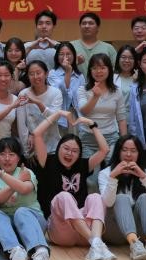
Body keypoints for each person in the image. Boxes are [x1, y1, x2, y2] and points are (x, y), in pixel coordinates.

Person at [31, 114, 116, 260]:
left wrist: (91, 123)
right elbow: (37, 134)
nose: (69, 153)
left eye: (75, 151)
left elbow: (104, 150)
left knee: (96, 197)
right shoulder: (48, 161)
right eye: (66, 148)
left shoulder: (83, 165)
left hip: (83, 232)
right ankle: (96, 243)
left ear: (79, 153)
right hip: (60, 229)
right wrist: (58, 114)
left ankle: (96, 243)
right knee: (64, 196)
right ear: (59, 147)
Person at [98, 135, 146, 260]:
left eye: (133, 150)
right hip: (115, 230)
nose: (128, 154)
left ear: (139, 154)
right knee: (121, 198)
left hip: (141, 232)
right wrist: (113, 177)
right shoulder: (106, 173)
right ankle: (134, 244)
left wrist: (143, 177)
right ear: (118, 152)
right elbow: (107, 202)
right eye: (124, 150)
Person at [0, 137, 50, 260]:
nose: (7, 158)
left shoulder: (26, 172)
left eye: (11, 154)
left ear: (19, 158)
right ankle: (16, 251)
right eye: (2, 154)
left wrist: (3, 175)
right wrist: (17, 180)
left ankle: (41, 251)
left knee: (21, 212)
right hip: (8, 230)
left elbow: (24, 189)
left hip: (33, 223)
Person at [75, 54, 127, 188]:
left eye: (102, 67)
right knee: (91, 179)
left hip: (111, 138)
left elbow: (121, 118)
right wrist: (95, 96)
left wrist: (124, 140)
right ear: (90, 70)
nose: (98, 71)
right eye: (94, 68)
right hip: (88, 138)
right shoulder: (83, 89)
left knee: (113, 175)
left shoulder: (117, 91)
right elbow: (84, 111)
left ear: (109, 69)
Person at [16, 60, 63, 160]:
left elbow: (54, 118)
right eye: (31, 74)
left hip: (53, 148)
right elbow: (21, 125)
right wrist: (27, 152)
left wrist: (38, 103)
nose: (35, 77)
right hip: (32, 150)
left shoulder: (56, 93)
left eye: (38, 73)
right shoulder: (23, 94)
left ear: (46, 74)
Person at [47, 41, 82, 133]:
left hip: (76, 114)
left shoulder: (79, 75)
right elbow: (62, 92)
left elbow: (82, 97)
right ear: (57, 56)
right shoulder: (52, 74)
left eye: (68, 54)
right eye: (61, 54)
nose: (65, 57)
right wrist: (68, 72)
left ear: (74, 56)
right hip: (60, 114)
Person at [113, 45, 138, 115]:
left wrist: (135, 81)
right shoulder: (112, 78)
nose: (127, 61)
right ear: (118, 59)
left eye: (131, 58)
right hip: (115, 118)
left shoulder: (139, 78)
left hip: (134, 118)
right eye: (123, 57)